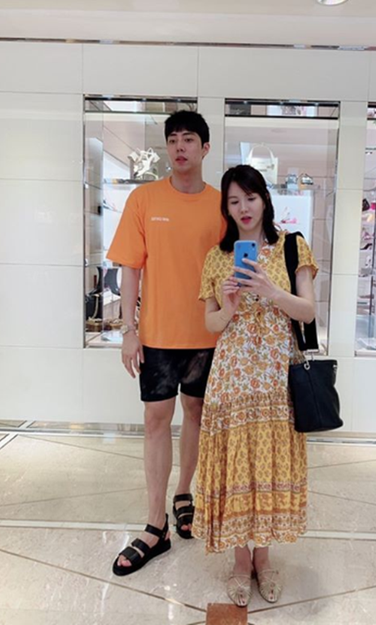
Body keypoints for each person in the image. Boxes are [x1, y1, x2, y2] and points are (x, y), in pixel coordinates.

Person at [192, 164, 317, 606]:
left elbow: (308, 311)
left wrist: (270, 289)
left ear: (264, 199)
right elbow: (210, 324)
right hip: (232, 376)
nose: (243, 207)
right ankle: (241, 562)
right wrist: (228, 305)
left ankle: (264, 559)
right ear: (226, 209)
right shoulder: (216, 256)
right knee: (237, 465)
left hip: (276, 378)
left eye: (250, 197)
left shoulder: (292, 246)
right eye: (233, 201)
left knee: (268, 465)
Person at [107, 111, 224, 576]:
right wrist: (128, 330)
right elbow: (130, 269)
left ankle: (184, 492)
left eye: (188, 139)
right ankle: (156, 525)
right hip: (156, 336)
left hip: (208, 336)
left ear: (205, 148)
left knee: (195, 414)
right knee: (156, 420)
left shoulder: (221, 205)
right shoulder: (144, 198)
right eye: (173, 140)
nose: (179, 147)